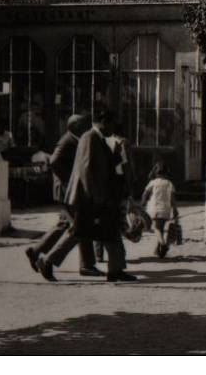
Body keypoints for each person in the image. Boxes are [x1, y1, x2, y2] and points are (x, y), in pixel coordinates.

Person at [37, 109, 137, 282]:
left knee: (109, 231)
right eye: (112, 124)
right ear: (104, 121)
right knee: (79, 232)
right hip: (88, 197)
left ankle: (115, 270)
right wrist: (94, 197)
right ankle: (47, 261)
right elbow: (85, 169)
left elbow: (106, 167)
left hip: (98, 196)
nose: (114, 129)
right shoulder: (89, 138)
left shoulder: (100, 140)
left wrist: (116, 155)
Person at [24, 114, 103, 277]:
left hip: (68, 191)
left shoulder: (75, 140)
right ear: (75, 127)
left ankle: (36, 251)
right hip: (67, 191)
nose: (87, 128)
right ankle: (80, 264)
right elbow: (54, 162)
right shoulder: (66, 141)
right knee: (80, 227)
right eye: (83, 125)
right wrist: (69, 181)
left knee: (66, 224)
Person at [142, 161, 178, 258]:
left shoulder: (152, 182)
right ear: (166, 173)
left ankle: (163, 244)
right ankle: (159, 251)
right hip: (166, 210)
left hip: (154, 208)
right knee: (160, 230)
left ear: (156, 172)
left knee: (156, 228)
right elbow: (172, 199)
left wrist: (143, 203)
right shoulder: (169, 183)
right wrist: (175, 209)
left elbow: (145, 194)